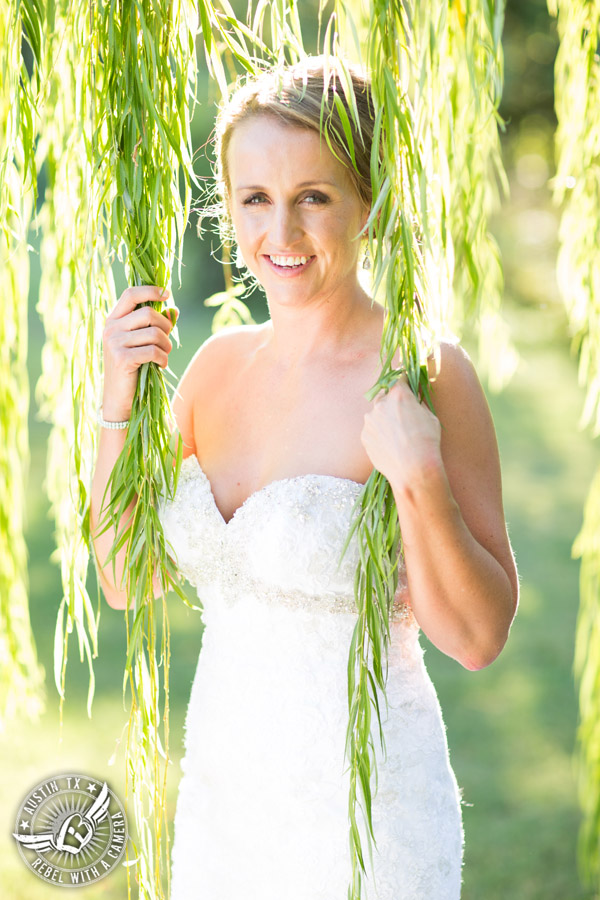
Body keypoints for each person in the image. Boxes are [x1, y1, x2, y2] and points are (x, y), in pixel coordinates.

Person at [91, 55, 519, 900]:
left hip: (369, 816)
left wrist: (419, 476)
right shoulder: (214, 370)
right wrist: (115, 400)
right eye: (256, 199)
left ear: (370, 201)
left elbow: (476, 639)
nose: (279, 236)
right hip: (225, 806)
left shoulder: (423, 374)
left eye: (313, 197)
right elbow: (123, 576)